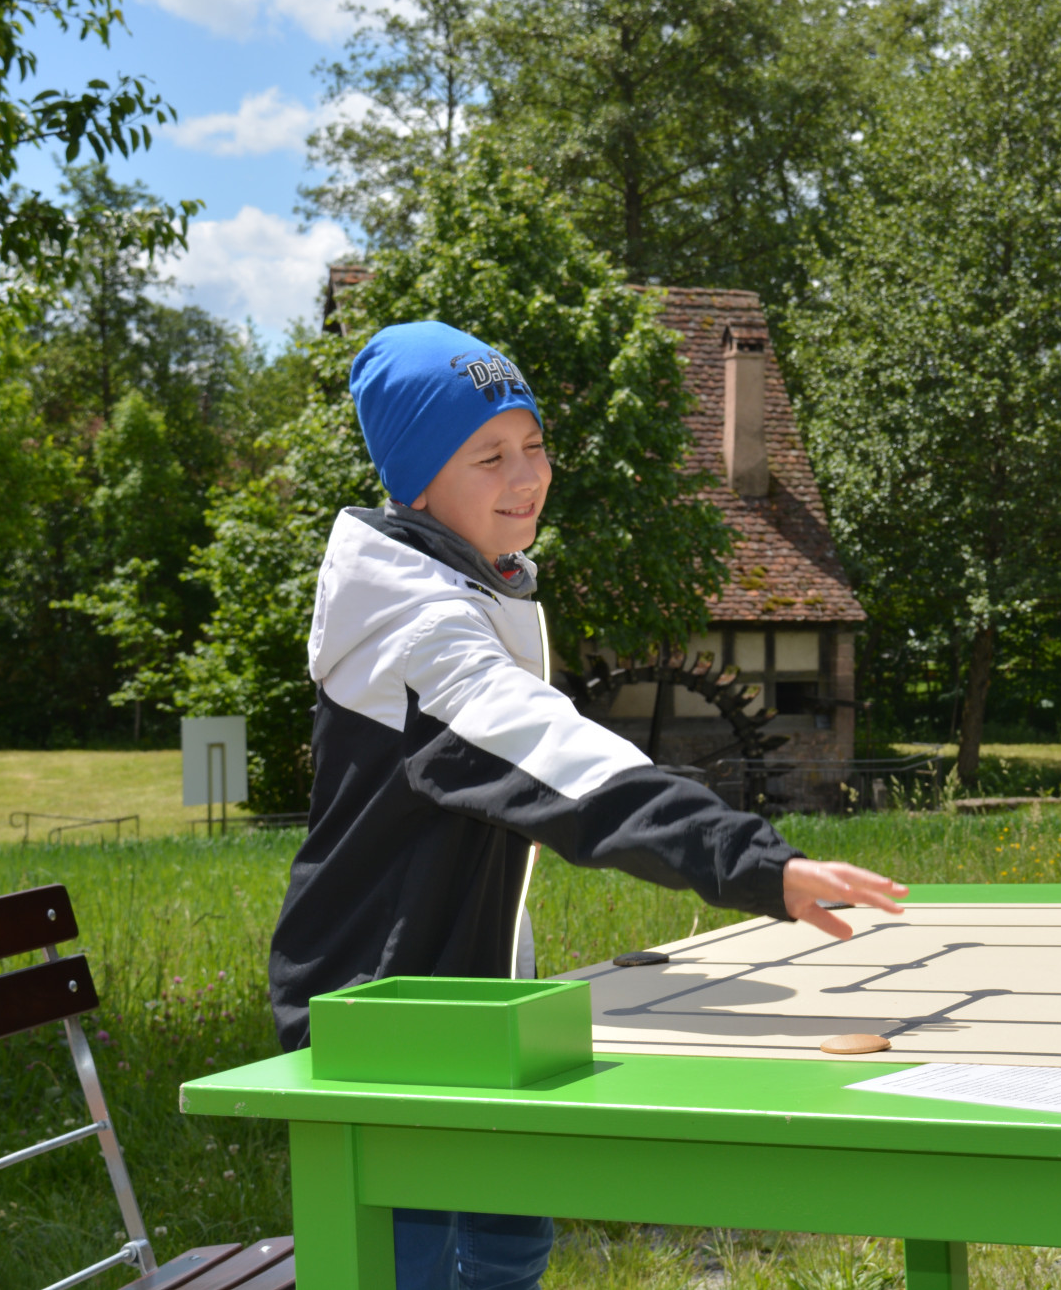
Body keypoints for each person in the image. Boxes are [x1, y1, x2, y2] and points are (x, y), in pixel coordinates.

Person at [268, 320, 908, 1290]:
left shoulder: (475, 583)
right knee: (411, 1264)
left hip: (471, 997)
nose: (526, 475)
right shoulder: (423, 634)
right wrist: (751, 863)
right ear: (416, 484)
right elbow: (567, 767)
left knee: (511, 1243)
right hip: (379, 1008)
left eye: (533, 444)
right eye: (488, 455)